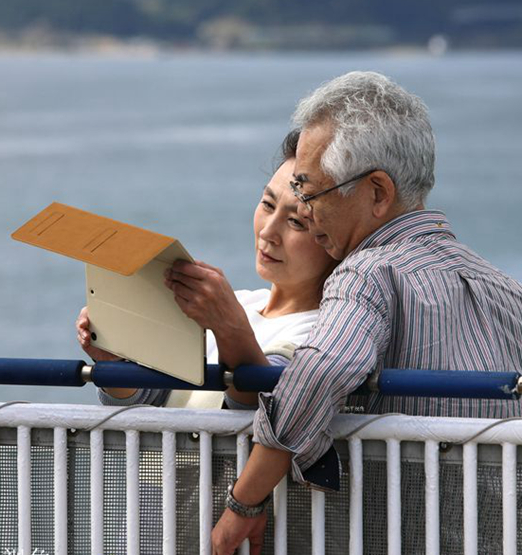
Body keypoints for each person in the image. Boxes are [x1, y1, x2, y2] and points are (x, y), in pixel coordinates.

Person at [210, 71, 522, 555]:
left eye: (309, 189)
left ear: (377, 193)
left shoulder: (369, 270)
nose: (304, 207)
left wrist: (244, 503)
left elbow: (321, 372)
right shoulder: (517, 295)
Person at [76, 130, 338, 410]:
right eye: (267, 204)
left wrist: (228, 325)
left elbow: (258, 409)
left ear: (334, 238)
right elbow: (151, 398)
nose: (268, 231)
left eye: (297, 222)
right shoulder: (240, 303)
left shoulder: (323, 332)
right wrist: (111, 361)